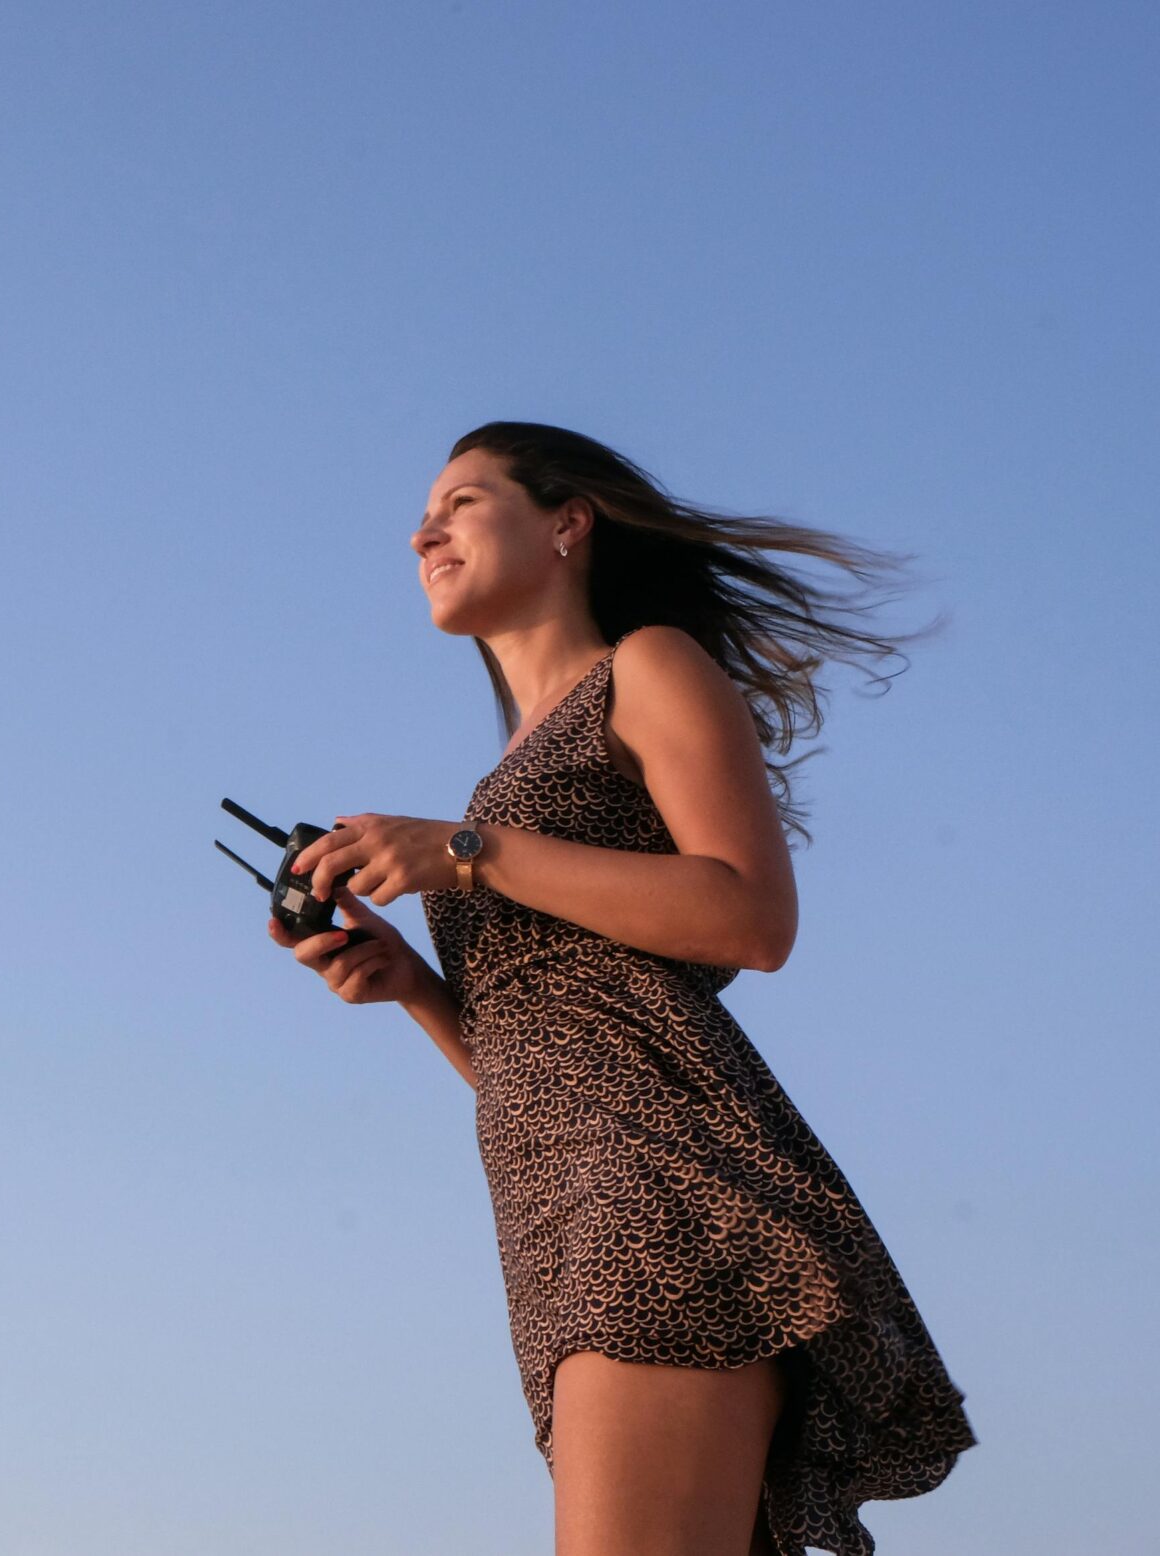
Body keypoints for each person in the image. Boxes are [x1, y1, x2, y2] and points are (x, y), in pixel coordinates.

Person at [275, 424, 973, 1556]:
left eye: (461, 500)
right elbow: (556, 1051)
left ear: (566, 521)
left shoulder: (646, 667)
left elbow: (752, 915)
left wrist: (463, 849)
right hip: (556, 1211)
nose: (422, 530)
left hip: (654, 1198)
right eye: (422, 515)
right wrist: (414, 982)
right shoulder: (500, 779)